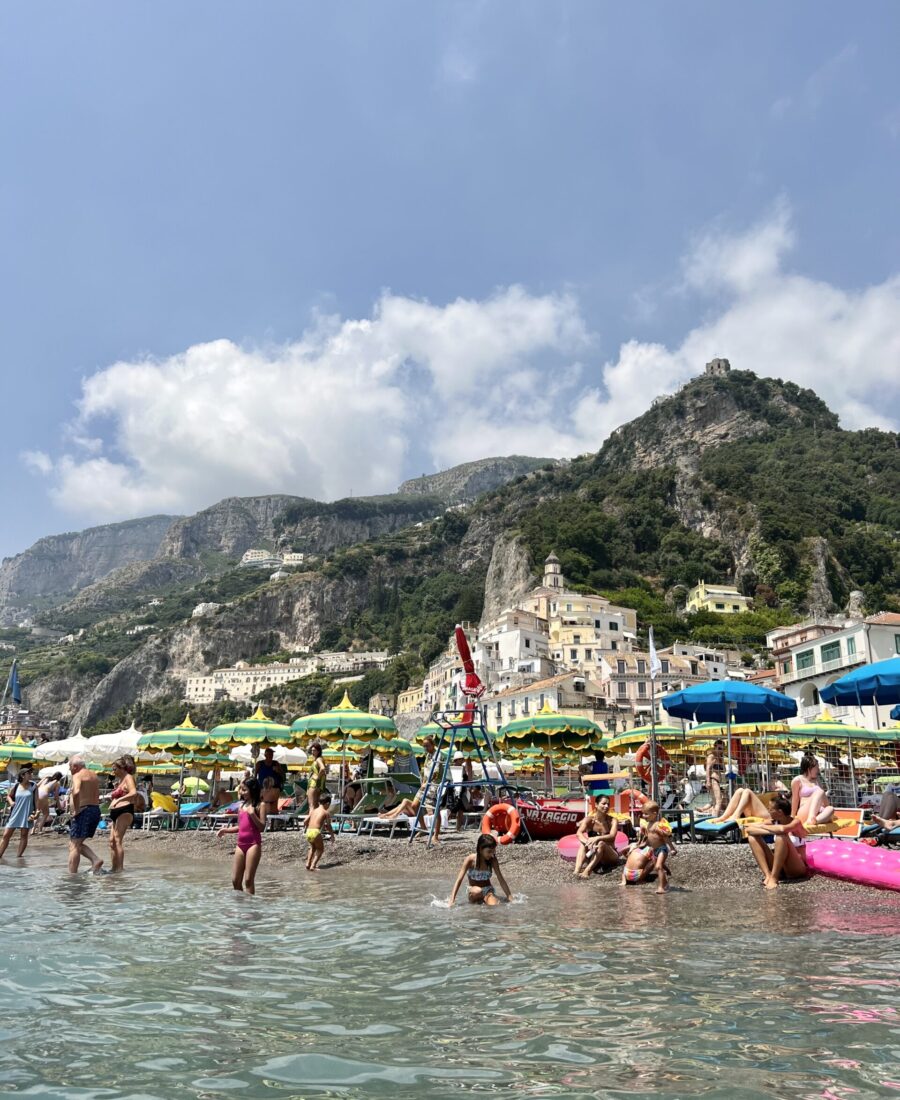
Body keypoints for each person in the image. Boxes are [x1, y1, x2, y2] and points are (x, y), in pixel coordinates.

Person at [378, 734, 444, 842]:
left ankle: (436, 835)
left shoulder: (438, 755)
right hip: (425, 784)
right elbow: (425, 771)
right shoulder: (428, 756)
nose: (425, 748)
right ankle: (423, 827)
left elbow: (435, 773)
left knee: (435, 809)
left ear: (433, 745)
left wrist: (427, 782)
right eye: (424, 746)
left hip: (433, 785)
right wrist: (423, 782)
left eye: (427, 746)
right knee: (414, 805)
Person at [745, 794, 809, 889]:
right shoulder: (773, 822)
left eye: (770, 809)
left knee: (781, 836)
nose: (768, 811)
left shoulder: (796, 823)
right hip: (780, 867)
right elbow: (749, 829)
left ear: (780, 812)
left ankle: (774, 878)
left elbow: (783, 830)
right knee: (752, 837)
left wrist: (762, 827)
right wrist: (769, 828)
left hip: (796, 868)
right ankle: (768, 875)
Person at [216, 777, 266, 894]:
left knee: (248, 880)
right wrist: (226, 830)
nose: (241, 792)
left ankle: (250, 909)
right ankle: (240, 906)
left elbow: (262, 827)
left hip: (253, 845)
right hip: (240, 845)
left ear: (252, 790)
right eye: (241, 790)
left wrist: (253, 814)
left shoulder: (260, 805)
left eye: (244, 790)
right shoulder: (241, 806)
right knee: (235, 880)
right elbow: (241, 826)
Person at [448, 834, 513, 906]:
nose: (492, 854)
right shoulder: (470, 860)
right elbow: (459, 880)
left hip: (488, 891)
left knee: (495, 905)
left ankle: (488, 899)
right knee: (478, 891)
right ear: (480, 849)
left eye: (493, 851)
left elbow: (501, 879)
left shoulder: (493, 860)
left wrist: (509, 897)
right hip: (474, 891)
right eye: (489, 851)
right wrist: (452, 900)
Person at [67, 755, 103, 874]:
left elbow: (76, 791)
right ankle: (95, 859)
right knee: (76, 843)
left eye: (70, 767)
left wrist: (76, 810)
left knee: (74, 846)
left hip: (84, 811)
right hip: (95, 810)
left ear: (75, 766)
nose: (69, 770)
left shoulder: (77, 775)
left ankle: (71, 877)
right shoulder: (93, 775)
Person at [574, 796, 620, 878]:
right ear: (596, 804)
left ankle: (587, 871)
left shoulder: (612, 820)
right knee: (582, 844)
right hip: (594, 853)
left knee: (601, 843)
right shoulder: (589, 820)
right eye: (604, 803)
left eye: (608, 804)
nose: (606, 806)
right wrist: (587, 843)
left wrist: (597, 838)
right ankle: (577, 870)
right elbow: (579, 833)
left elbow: (612, 836)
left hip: (610, 856)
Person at [108, 755, 140, 873]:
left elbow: (133, 793)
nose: (113, 772)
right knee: (111, 842)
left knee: (117, 840)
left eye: (114, 769)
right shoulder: (120, 780)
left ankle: (120, 869)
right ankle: (113, 868)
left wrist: (119, 800)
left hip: (125, 811)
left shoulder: (128, 777)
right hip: (116, 811)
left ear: (122, 768)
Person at [620, 824, 672, 893]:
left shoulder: (633, 845)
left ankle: (623, 881)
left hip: (626, 874)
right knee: (653, 861)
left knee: (631, 862)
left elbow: (622, 851)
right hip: (636, 876)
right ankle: (640, 880)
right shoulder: (650, 849)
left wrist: (628, 857)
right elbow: (656, 862)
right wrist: (667, 870)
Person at [0, 768, 36, 859]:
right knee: (6, 835)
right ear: (22, 775)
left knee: (24, 835)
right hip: (15, 813)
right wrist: (11, 802)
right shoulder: (16, 786)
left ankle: (19, 857)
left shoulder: (33, 785)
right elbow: (8, 796)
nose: (31, 774)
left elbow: (37, 800)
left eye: (31, 773)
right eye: (29, 773)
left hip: (27, 813)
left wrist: (36, 812)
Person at [790, 754, 834, 828]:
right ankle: (811, 817)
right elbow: (795, 799)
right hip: (804, 811)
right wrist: (792, 816)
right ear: (809, 768)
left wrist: (827, 808)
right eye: (816, 768)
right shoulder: (798, 780)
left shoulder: (817, 780)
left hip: (819, 812)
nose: (818, 770)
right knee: (820, 791)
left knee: (831, 808)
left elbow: (823, 799)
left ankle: (815, 820)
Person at [303, 791, 335, 871]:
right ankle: (313, 866)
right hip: (315, 832)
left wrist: (307, 827)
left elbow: (305, 821)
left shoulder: (313, 810)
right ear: (327, 804)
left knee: (312, 847)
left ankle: (308, 863)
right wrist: (332, 835)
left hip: (308, 831)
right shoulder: (325, 812)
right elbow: (328, 825)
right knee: (320, 849)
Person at [702, 740, 726, 816]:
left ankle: (713, 816)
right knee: (719, 801)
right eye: (719, 748)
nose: (720, 750)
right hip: (713, 779)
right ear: (714, 747)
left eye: (722, 749)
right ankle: (715, 818)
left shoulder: (719, 758)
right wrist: (708, 781)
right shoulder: (711, 756)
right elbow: (708, 768)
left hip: (717, 780)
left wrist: (721, 762)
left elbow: (724, 770)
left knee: (715, 801)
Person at [304, 743, 327, 811]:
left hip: (313, 784)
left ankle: (309, 821)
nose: (312, 752)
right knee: (316, 806)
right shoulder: (320, 759)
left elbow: (322, 768)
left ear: (318, 751)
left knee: (311, 806)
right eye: (312, 750)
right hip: (319, 786)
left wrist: (318, 777)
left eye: (314, 750)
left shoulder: (318, 759)